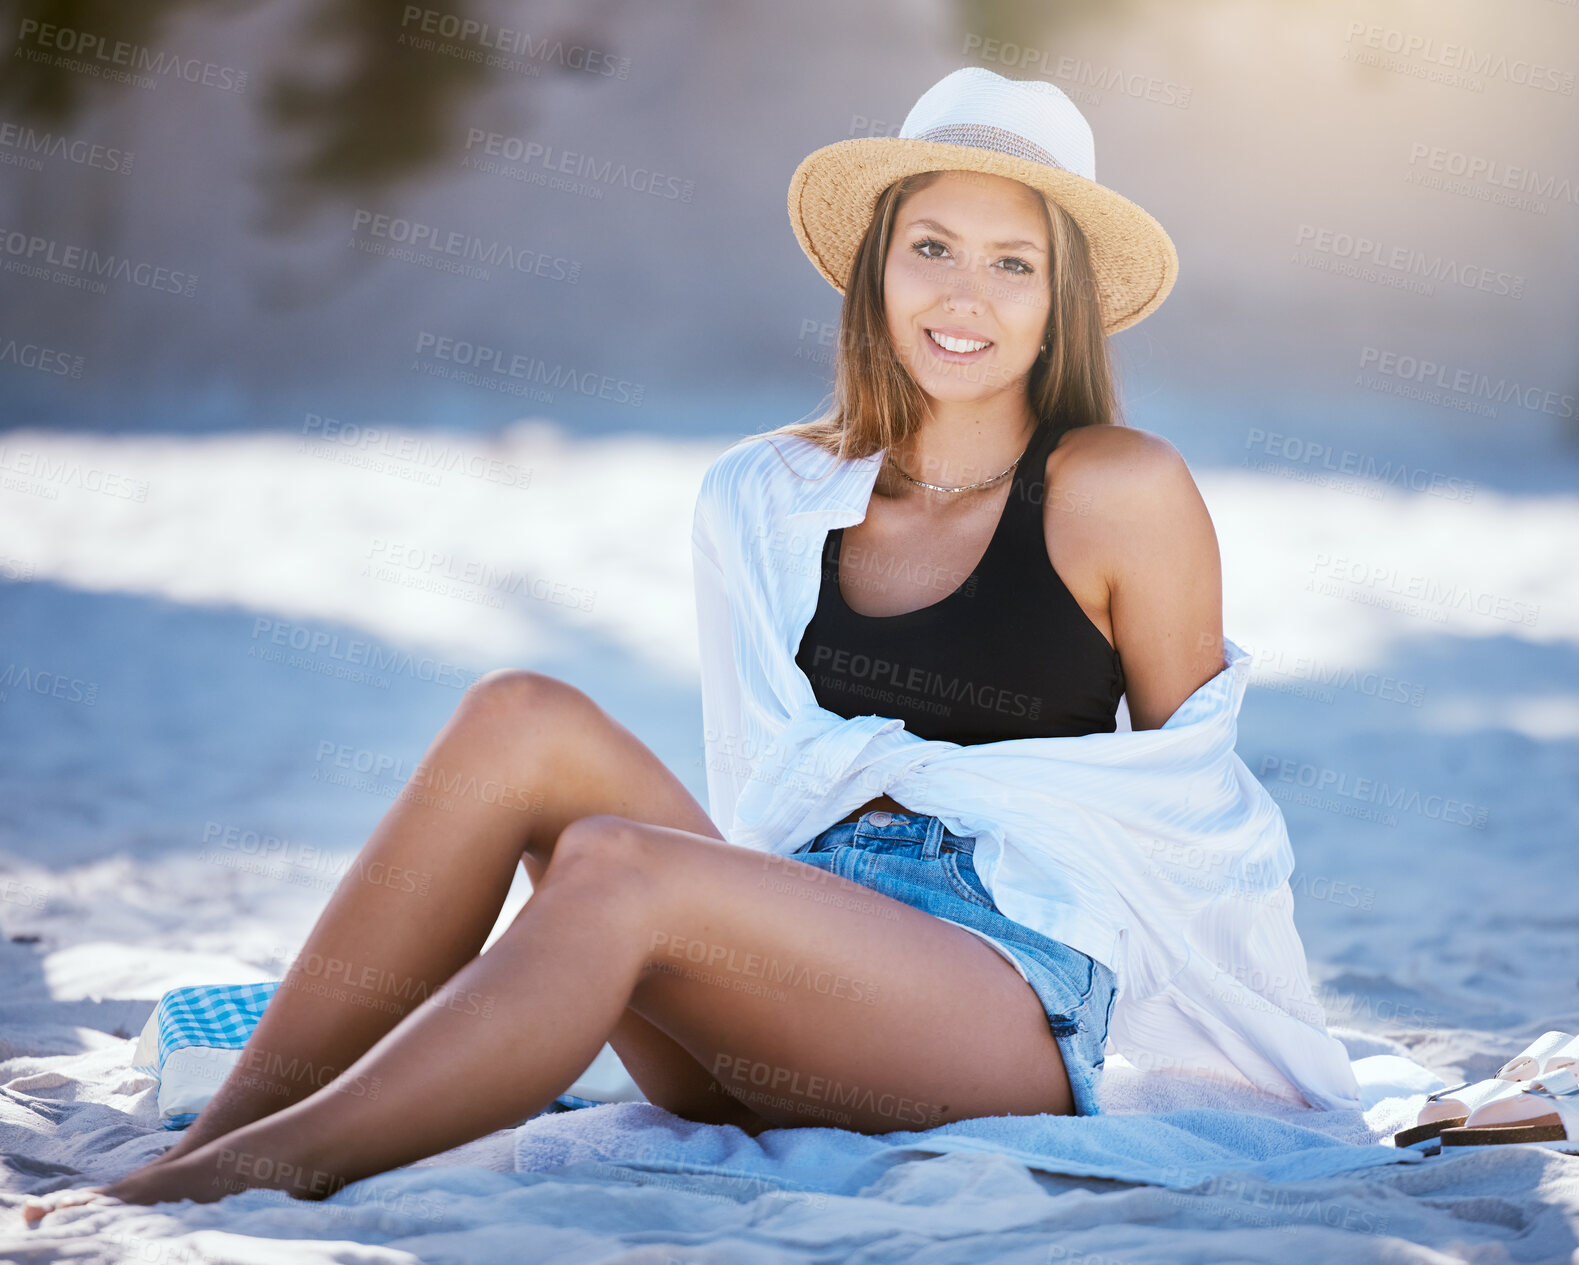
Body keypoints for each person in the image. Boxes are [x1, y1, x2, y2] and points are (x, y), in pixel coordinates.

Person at [25, 65, 1227, 1222]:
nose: (965, 294)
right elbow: (765, 790)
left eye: (1012, 263)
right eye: (932, 248)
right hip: (784, 979)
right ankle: (211, 1140)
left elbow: (1193, 811)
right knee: (520, 714)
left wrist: (1249, 1060)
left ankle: (245, 1178)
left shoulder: (1117, 487)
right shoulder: (768, 493)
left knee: (616, 861)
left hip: (995, 1004)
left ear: (1059, 299)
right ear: (875, 269)